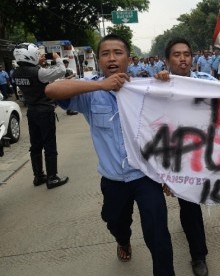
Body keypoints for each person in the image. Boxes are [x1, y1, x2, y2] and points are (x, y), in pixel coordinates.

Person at [44, 34, 175, 276]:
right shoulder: (91, 92)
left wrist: (167, 81)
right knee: (115, 221)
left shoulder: (146, 89)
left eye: (118, 52)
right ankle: (122, 240)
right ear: (99, 59)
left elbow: (168, 131)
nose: (112, 58)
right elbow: (51, 89)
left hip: (146, 176)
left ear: (128, 58)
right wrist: (101, 85)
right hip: (113, 180)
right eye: (106, 54)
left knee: (158, 234)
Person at [155, 37, 220, 276]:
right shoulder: (156, 88)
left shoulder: (206, 82)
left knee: (192, 203)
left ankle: (197, 252)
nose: (182, 58)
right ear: (167, 60)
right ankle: (196, 254)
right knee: (186, 206)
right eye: (176, 55)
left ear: (193, 58)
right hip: (175, 156)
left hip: (203, 154)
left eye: (186, 54)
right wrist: (162, 173)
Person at [12, 43, 69, 189]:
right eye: (36, 54)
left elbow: (32, 75)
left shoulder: (16, 73)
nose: (39, 56)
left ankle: (38, 176)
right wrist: (57, 58)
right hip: (44, 111)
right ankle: (52, 178)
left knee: (35, 145)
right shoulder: (38, 73)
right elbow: (62, 71)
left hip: (31, 112)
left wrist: (39, 63)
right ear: (29, 55)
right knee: (49, 144)